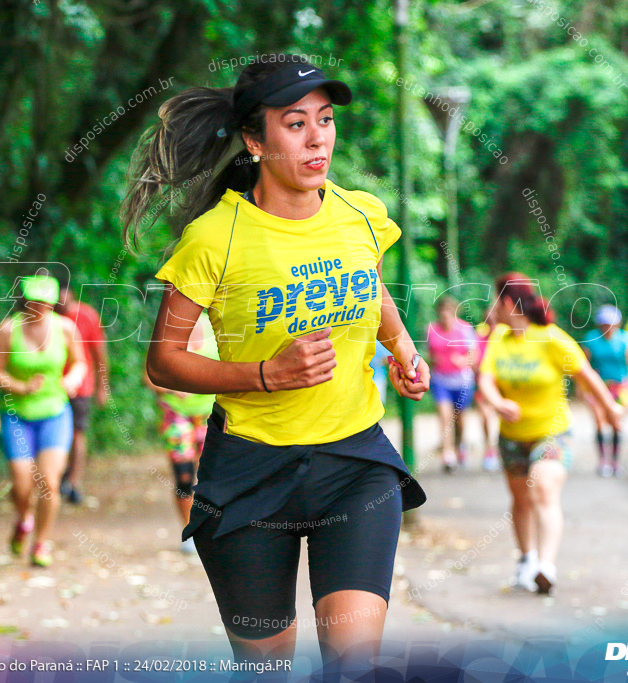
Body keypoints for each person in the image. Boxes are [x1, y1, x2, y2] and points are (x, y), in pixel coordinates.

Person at [124, 54, 429, 676]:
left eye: (325, 119)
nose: (318, 136)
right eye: (295, 123)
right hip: (250, 476)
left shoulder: (360, 213)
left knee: (352, 664)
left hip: (355, 465)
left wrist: (401, 347)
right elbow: (164, 363)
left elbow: (370, 286)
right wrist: (266, 374)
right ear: (254, 141)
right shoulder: (214, 238)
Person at [477, 274, 621, 595]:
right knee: (520, 499)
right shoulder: (498, 337)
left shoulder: (551, 339)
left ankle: (547, 565)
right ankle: (526, 560)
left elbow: (586, 376)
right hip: (512, 436)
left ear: (505, 303)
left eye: (493, 302)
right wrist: (498, 402)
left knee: (543, 488)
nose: (490, 309)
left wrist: (611, 410)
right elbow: (485, 378)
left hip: (552, 433)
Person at [0, 274, 87, 568]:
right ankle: (23, 520)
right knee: (22, 486)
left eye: (46, 304)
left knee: (49, 481)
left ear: (53, 303)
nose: (40, 309)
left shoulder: (65, 328)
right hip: (18, 415)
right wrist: (21, 387)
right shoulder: (8, 330)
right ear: (25, 300)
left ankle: (41, 543)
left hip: (55, 413)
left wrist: (72, 378)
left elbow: (81, 362)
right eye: (34, 303)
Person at [142, 311, 218, 554]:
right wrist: (174, 390)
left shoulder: (216, 324)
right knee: (184, 476)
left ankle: (213, 528)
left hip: (212, 414)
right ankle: (190, 531)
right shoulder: (168, 327)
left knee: (213, 476)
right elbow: (150, 376)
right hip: (177, 414)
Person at [55, 279, 109, 504]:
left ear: (72, 294)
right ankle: (56, 478)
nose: (60, 301)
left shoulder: (87, 315)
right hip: (51, 386)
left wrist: (103, 387)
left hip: (80, 385)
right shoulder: (46, 316)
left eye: (64, 296)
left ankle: (74, 483)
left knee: (77, 434)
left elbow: (99, 353)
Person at [581, 305, 628, 477]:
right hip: (598, 386)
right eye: (604, 323)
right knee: (599, 421)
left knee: (616, 423)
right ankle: (603, 461)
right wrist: (583, 388)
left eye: (610, 323)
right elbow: (583, 365)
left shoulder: (625, 339)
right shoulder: (591, 339)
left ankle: (615, 460)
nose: (607, 327)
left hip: (620, 387)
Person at [426, 296, 478, 472]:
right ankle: (447, 454)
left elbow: (474, 355)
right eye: (442, 311)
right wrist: (434, 360)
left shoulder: (465, 329)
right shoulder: (432, 330)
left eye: (449, 311)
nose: (445, 315)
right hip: (441, 380)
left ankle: (460, 446)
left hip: (462, 381)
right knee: (444, 415)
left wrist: (463, 361)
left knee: (460, 419)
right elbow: (429, 353)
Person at [474, 310, 501, 472]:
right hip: (485, 386)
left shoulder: (505, 338)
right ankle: (489, 449)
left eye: (494, 320)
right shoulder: (479, 339)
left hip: (504, 386)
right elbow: (475, 361)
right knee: (485, 416)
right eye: (489, 321)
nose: (492, 324)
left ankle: (502, 450)